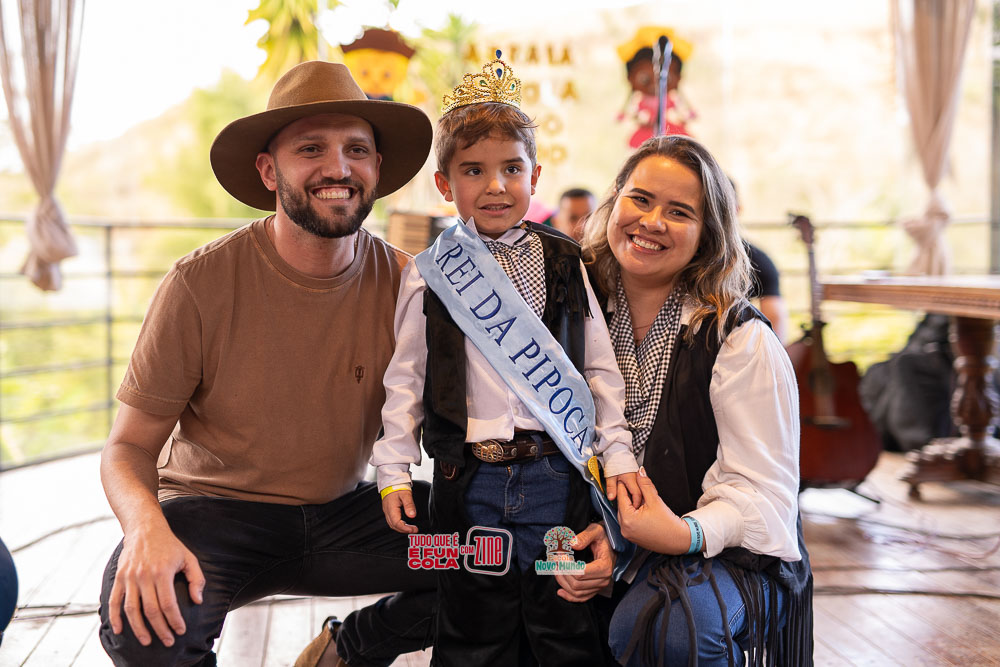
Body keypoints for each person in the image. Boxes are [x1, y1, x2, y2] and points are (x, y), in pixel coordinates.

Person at [97, 60, 440, 667]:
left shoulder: (408, 285)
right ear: (267, 170)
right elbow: (126, 449)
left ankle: (350, 647)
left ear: (377, 168)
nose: (338, 168)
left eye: (356, 150)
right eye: (311, 149)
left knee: (498, 556)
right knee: (146, 629)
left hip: (350, 523)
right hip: (213, 520)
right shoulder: (199, 283)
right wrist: (145, 530)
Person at [370, 52, 640, 665]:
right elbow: (405, 378)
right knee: (473, 630)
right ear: (445, 185)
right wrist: (392, 471)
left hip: (555, 482)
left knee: (563, 622)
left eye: (511, 168)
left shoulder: (565, 259)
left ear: (534, 176)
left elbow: (599, 370)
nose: (495, 186)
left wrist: (618, 454)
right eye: (474, 170)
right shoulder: (430, 273)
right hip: (470, 485)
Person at [582, 135, 813, 666]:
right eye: (640, 199)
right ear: (615, 200)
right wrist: (607, 538)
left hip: (732, 553)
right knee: (500, 579)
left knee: (669, 629)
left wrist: (684, 533)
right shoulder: (579, 314)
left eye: (679, 212)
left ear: (708, 234)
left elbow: (763, 498)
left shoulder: (739, 339)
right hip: (614, 534)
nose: (652, 221)